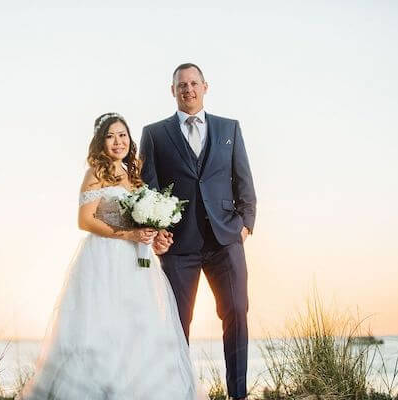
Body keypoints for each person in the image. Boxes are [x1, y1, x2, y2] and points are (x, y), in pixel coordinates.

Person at [16, 112, 205, 400]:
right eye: (110, 136)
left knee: (139, 324)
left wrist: (155, 238)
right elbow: (85, 220)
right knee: (105, 324)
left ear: (130, 139)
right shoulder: (96, 173)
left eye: (123, 135)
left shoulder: (136, 178)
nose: (118, 141)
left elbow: (142, 224)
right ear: (101, 142)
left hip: (137, 261)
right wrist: (129, 235)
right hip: (106, 258)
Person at [140, 63, 257, 400]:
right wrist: (157, 231)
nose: (188, 89)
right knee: (177, 325)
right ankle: (178, 392)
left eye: (193, 83)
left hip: (226, 242)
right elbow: (149, 188)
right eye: (181, 85)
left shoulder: (229, 128)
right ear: (172, 90)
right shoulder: (155, 134)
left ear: (205, 87)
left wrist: (245, 225)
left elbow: (244, 180)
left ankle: (238, 393)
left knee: (236, 309)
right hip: (179, 246)